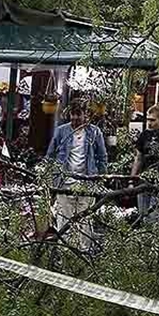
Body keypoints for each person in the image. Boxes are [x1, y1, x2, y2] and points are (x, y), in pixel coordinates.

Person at [45, 100, 108, 252]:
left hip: (86, 183)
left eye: (78, 114)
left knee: (84, 221)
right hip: (63, 183)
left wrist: (100, 179)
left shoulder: (95, 132)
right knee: (63, 220)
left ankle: (83, 252)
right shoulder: (61, 131)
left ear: (86, 115)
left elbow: (102, 157)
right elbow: (50, 155)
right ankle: (64, 252)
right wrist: (49, 177)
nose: (75, 118)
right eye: (73, 114)